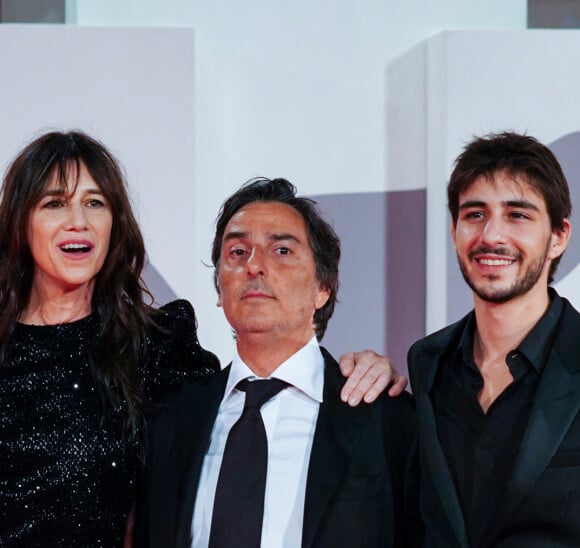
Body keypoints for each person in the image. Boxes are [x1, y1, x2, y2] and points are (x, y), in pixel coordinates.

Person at [0, 131, 404, 547]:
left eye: (94, 203)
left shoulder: (155, 349)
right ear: (20, 220)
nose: (78, 221)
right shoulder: (187, 410)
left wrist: (370, 369)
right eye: (54, 203)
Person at [135, 178, 419, 547]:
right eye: (237, 252)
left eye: (282, 250)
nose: (255, 266)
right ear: (219, 290)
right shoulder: (169, 421)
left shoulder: (387, 420)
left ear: (323, 288)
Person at [408, 131, 580, 547]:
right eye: (475, 214)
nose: (492, 236)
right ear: (454, 230)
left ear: (558, 237)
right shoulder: (427, 362)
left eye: (517, 215)